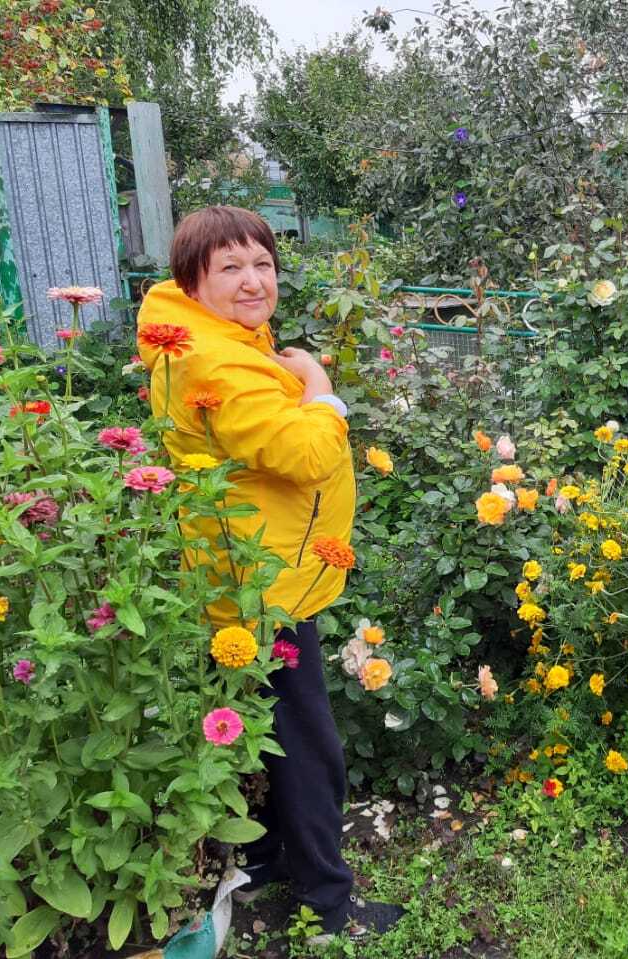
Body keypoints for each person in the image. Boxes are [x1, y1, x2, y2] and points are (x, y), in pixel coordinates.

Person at [135, 205, 403, 940]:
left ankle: (269, 858)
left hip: (246, 573)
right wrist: (321, 387)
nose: (255, 281)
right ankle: (331, 905)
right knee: (308, 745)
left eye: (263, 264)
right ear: (192, 282)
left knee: (265, 729)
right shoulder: (219, 360)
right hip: (264, 587)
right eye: (231, 268)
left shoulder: (212, 340)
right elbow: (304, 452)